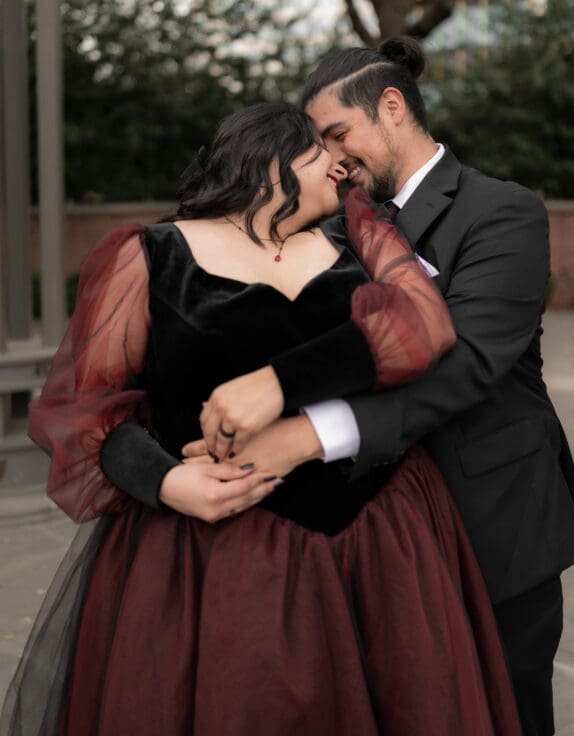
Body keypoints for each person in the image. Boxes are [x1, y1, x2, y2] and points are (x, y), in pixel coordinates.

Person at [1, 104, 522, 736]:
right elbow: (87, 413)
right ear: (271, 155)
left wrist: (277, 383)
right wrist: (166, 483)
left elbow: (423, 329)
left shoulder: (359, 234)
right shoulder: (150, 254)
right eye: (321, 148)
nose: (341, 163)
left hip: (373, 534)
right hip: (202, 556)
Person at [286, 37, 574, 736]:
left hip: (495, 515)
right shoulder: (334, 223)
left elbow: (472, 362)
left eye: (338, 133)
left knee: (507, 710)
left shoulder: (501, 211)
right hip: (380, 526)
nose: (333, 157)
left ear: (390, 106)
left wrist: (312, 434)